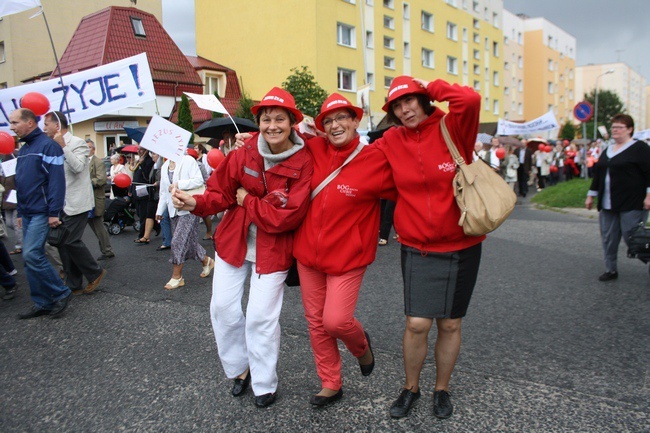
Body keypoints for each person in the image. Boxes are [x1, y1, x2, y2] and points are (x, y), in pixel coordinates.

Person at [172, 87, 313, 408]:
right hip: (233, 243)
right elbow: (220, 192)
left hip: (273, 249)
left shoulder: (304, 161)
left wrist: (247, 200)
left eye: (280, 119)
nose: (272, 125)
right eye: (266, 119)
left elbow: (285, 218)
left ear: (292, 123)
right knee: (222, 308)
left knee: (260, 319)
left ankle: (265, 382)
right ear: (258, 122)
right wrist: (194, 201)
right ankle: (240, 369)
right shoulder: (244, 151)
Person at [374, 76, 483, 419]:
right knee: (417, 323)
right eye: (396, 105)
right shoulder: (391, 140)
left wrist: (432, 86)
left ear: (424, 101)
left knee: (450, 324)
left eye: (410, 101)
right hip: (417, 247)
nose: (404, 109)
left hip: (463, 244)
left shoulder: (454, 128)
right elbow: (357, 162)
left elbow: (469, 99)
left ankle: (442, 388)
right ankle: (411, 387)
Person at [286, 94, 395, 406]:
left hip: (348, 258)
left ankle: (361, 347)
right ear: (321, 128)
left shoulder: (374, 158)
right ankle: (331, 382)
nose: (335, 125)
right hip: (308, 255)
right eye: (328, 121)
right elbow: (278, 140)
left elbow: (409, 187)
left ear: (355, 121)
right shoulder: (314, 148)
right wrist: (247, 142)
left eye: (341, 118)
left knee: (335, 321)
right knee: (316, 322)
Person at [11, 108, 71, 318]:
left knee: (32, 254)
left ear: (29, 122)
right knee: (30, 259)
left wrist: (54, 212)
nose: (12, 127)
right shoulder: (26, 148)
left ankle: (61, 292)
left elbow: (56, 182)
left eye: (15, 122)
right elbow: (22, 182)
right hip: (28, 211)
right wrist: (20, 210)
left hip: (41, 212)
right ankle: (42, 302)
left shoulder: (49, 147)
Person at [43, 112, 106, 295]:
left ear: (57, 125)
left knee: (70, 240)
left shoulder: (77, 143)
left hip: (77, 201)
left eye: (47, 124)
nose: (44, 128)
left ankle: (95, 271)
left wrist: (63, 147)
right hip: (59, 202)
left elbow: (78, 167)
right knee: (62, 243)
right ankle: (74, 283)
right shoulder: (49, 145)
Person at [585, 113, 650, 281]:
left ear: (629, 129)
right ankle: (611, 269)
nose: (615, 130)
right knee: (608, 238)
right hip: (607, 202)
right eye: (613, 127)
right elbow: (599, 175)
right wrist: (591, 195)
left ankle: (647, 259)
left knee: (633, 238)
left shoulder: (640, 148)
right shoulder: (608, 150)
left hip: (632, 201)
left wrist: (649, 196)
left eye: (619, 127)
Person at [156, 152, 213, 290]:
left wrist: (178, 184)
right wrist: (159, 210)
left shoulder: (188, 160)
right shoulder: (164, 166)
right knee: (189, 242)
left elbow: (199, 180)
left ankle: (177, 277)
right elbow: (164, 191)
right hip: (173, 209)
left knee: (177, 241)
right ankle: (206, 260)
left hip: (189, 207)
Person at [86, 139, 115, 261]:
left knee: (98, 226)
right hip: (87, 200)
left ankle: (107, 250)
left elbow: (101, 180)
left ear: (93, 149)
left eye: (88, 147)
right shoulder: (83, 162)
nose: (86, 150)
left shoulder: (98, 162)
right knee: (93, 226)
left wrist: (87, 182)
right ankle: (105, 249)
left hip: (95, 199)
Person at [131, 147, 158, 244]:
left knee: (143, 214)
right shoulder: (140, 160)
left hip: (144, 190)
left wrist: (142, 163)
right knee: (139, 212)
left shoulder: (149, 161)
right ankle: (156, 226)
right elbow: (135, 176)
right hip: (136, 190)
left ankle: (142, 235)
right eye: (138, 150)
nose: (139, 151)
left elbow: (147, 176)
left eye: (141, 150)